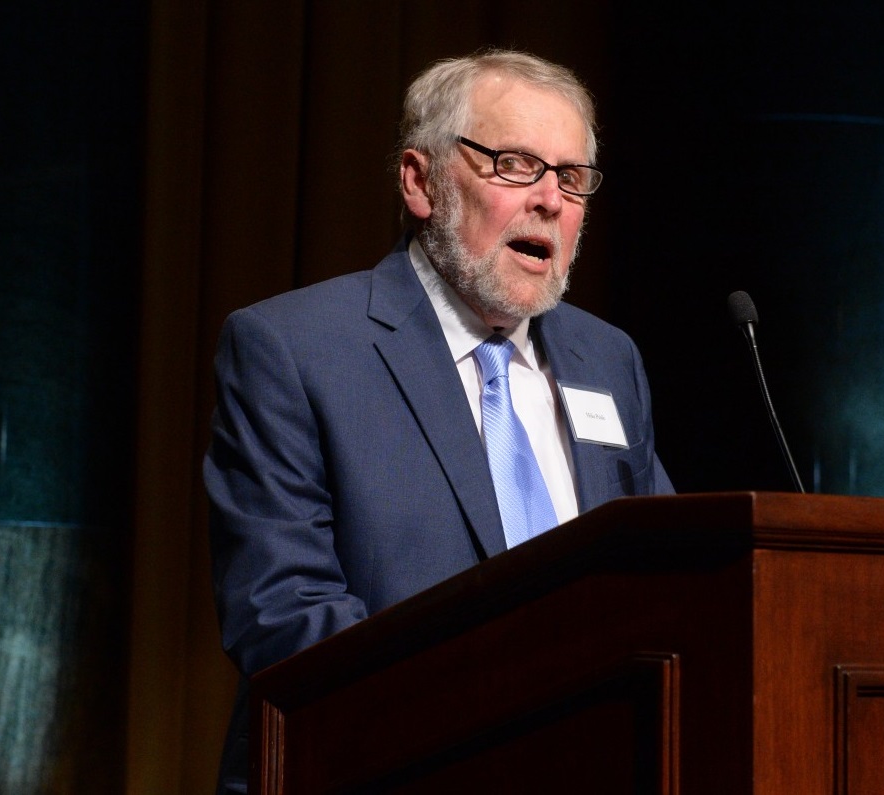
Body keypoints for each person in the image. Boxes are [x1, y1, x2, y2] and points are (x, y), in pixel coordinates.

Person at [203, 48, 675, 793]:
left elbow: (665, 581)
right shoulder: (294, 348)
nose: (549, 200)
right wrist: (501, 718)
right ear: (420, 182)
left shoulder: (607, 359)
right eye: (515, 165)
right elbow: (282, 613)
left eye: (570, 177)